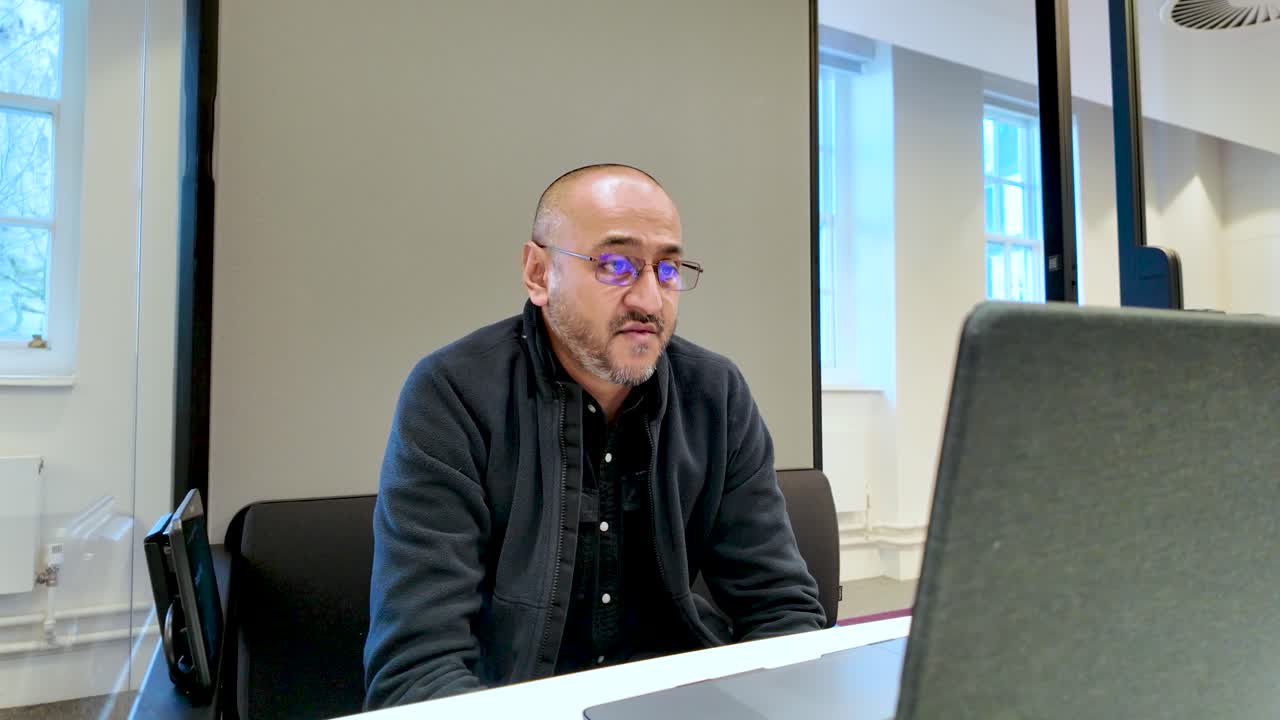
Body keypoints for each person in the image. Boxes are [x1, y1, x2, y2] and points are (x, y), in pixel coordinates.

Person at [363, 164, 825, 709]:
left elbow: (782, 611)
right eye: (616, 264)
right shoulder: (452, 395)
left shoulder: (714, 394)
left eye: (669, 269)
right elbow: (419, 670)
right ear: (538, 274)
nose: (649, 300)